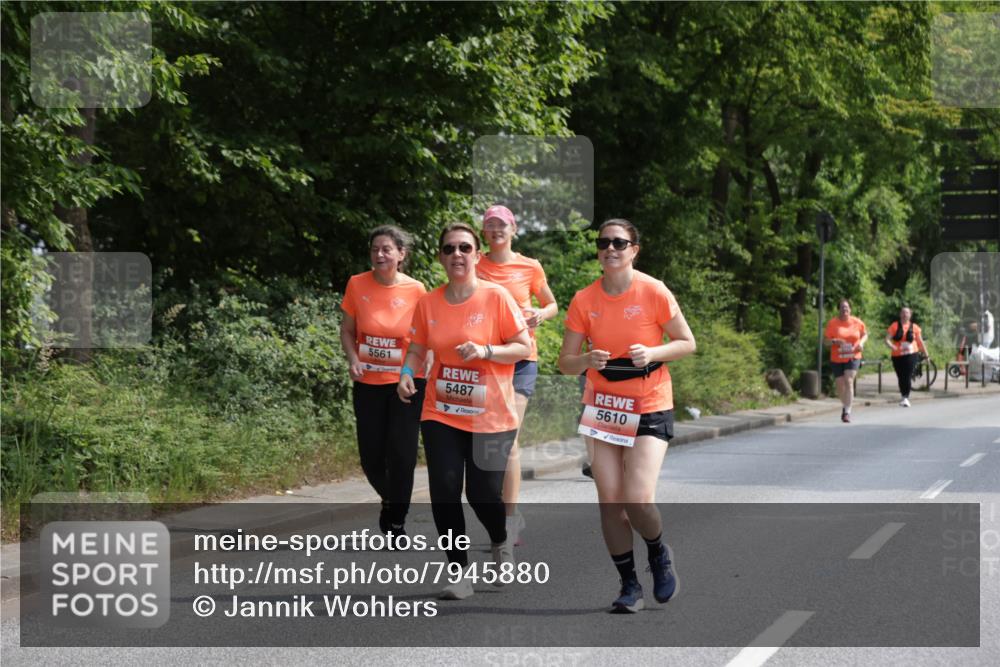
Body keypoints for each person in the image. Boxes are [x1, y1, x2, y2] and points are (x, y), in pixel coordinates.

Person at [558, 218, 696, 613]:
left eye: (620, 242)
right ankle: (629, 585)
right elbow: (565, 362)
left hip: (649, 402)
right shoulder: (585, 299)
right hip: (604, 408)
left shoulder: (653, 291)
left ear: (634, 249)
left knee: (636, 500)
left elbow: (687, 342)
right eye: (604, 242)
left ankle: (657, 551)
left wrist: (652, 353)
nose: (611, 248)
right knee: (610, 502)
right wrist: (585, 358)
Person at [398, 222, 531, 600]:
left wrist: (487, 350)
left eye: (464, 248)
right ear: (441, 257)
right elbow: (417, 348)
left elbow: (522, 347)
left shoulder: (497, 297)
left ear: (476, 254)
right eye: (449, 249)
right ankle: (459, 572)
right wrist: (407, 373)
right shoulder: (428, 302)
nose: (457, 255)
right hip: (440, 410)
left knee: (483, 494)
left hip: (491, 414)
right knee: (443, 490)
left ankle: (500, 540)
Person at [476, 204, 558, 546]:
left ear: (514, 230)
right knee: (484, 441)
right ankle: (498, 511)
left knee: (509, 439)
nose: (496, 230)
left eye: (502, 225)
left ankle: (509, 519)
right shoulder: (473, 263)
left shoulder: (530, 266)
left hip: (522, 359)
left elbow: (552, 304)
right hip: (484, 361)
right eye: (490, 225)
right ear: (483, 232)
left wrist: (540, 313)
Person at [340, 225, 427, 539]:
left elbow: (424, 339)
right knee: (371, 457)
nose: (380, 254)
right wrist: (353, 357)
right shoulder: (357, 284)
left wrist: (411, 373)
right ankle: (391, 498)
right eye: (375, 249)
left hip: (406, 383)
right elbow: (347, 330)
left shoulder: (417, 290)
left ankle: (396, 520)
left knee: (402, 454)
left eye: (387, 249)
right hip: (368, 383)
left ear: (401, 254)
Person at [824, 299, 868, 423]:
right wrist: (834, 341)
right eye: (842, 307)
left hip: (853, 355)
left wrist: (861, 343)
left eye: (847, 307)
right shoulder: (833, 323)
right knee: (839, 384)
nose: (845, 309)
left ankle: (847, 412)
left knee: (848, 381)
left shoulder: (857, 322)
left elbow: (865, 334)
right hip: (837, 357)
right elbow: (825, 341)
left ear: (850, 309)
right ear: (839, 309)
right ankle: (845, 405)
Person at [885, 307, 928, 408]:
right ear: (900, 315)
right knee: (900, 376)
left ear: (910, 315)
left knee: (907, 375)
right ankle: (903, 395)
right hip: (897, 355)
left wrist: (926, 355)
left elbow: (920, 342)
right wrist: (892, 346)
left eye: (907, 313)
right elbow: (887, 339)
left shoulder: (915, 327)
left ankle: (906, 397)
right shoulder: (894, 326)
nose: (905, 315)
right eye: (903, 313)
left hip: (911, 354)